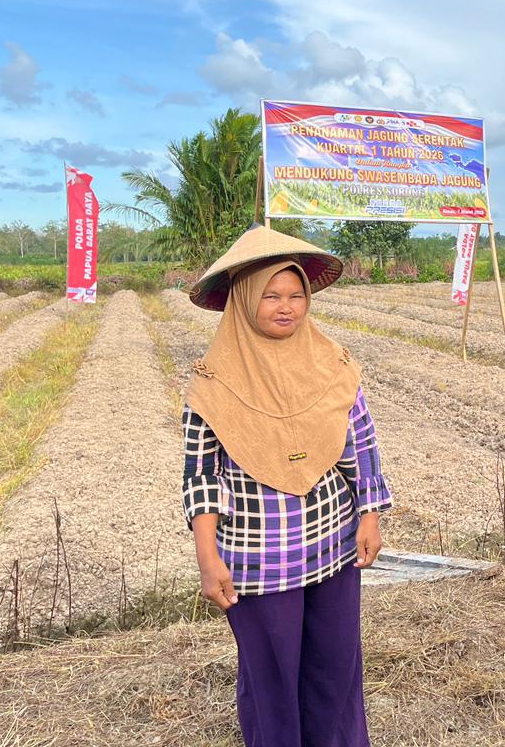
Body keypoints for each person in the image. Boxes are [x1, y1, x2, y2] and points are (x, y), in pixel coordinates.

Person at [182, 225, 392, 747]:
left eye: (296, 295)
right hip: (259, 560)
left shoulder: (332, 364)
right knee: (272, 683)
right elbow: (202, 479)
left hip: (333, 547)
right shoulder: (212, 383)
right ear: (243, 300)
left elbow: (360, 444)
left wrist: (369, 515)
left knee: (335, 671)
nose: (286, 307)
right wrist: (208, 558)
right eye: (271, 295)